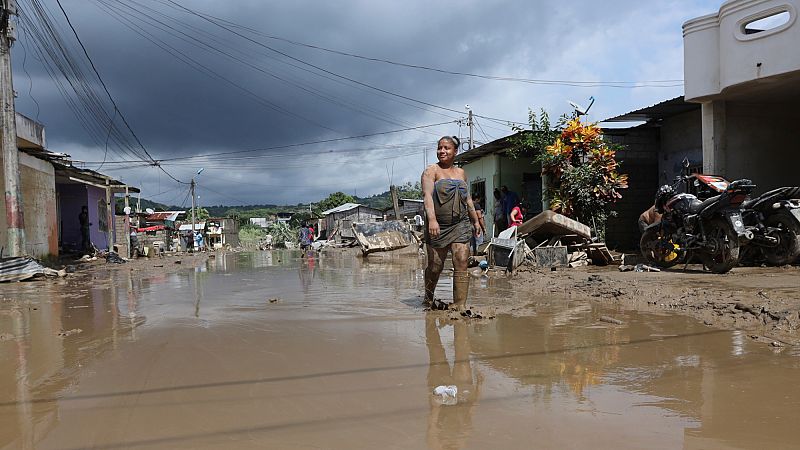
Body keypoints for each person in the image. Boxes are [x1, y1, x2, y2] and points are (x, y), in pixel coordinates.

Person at [421, 136, 482, 311]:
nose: (442, 151)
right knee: (435, 266)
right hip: (438, 225)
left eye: (446, 148)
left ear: (455, 151)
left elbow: (467, 199)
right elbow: (427, 197)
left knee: (462, 260)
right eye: (440, 148)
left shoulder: (461, 173)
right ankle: (428, 296)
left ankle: (460, 305)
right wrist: (432, 220)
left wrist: (475, 220)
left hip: (460, 224)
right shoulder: (431, 171)